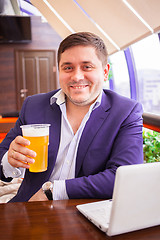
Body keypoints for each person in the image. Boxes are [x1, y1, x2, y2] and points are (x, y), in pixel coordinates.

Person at [0, 32, 143, 202]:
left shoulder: (126, 111)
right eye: (68, 67)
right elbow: (2, 161)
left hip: (86, 213)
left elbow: (123, 176)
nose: (76, 76)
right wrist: (10, 161)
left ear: (105, 72)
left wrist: (52, 191)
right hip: (30, 208)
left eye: (87, 67)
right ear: (59, 71)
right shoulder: (34, 105)